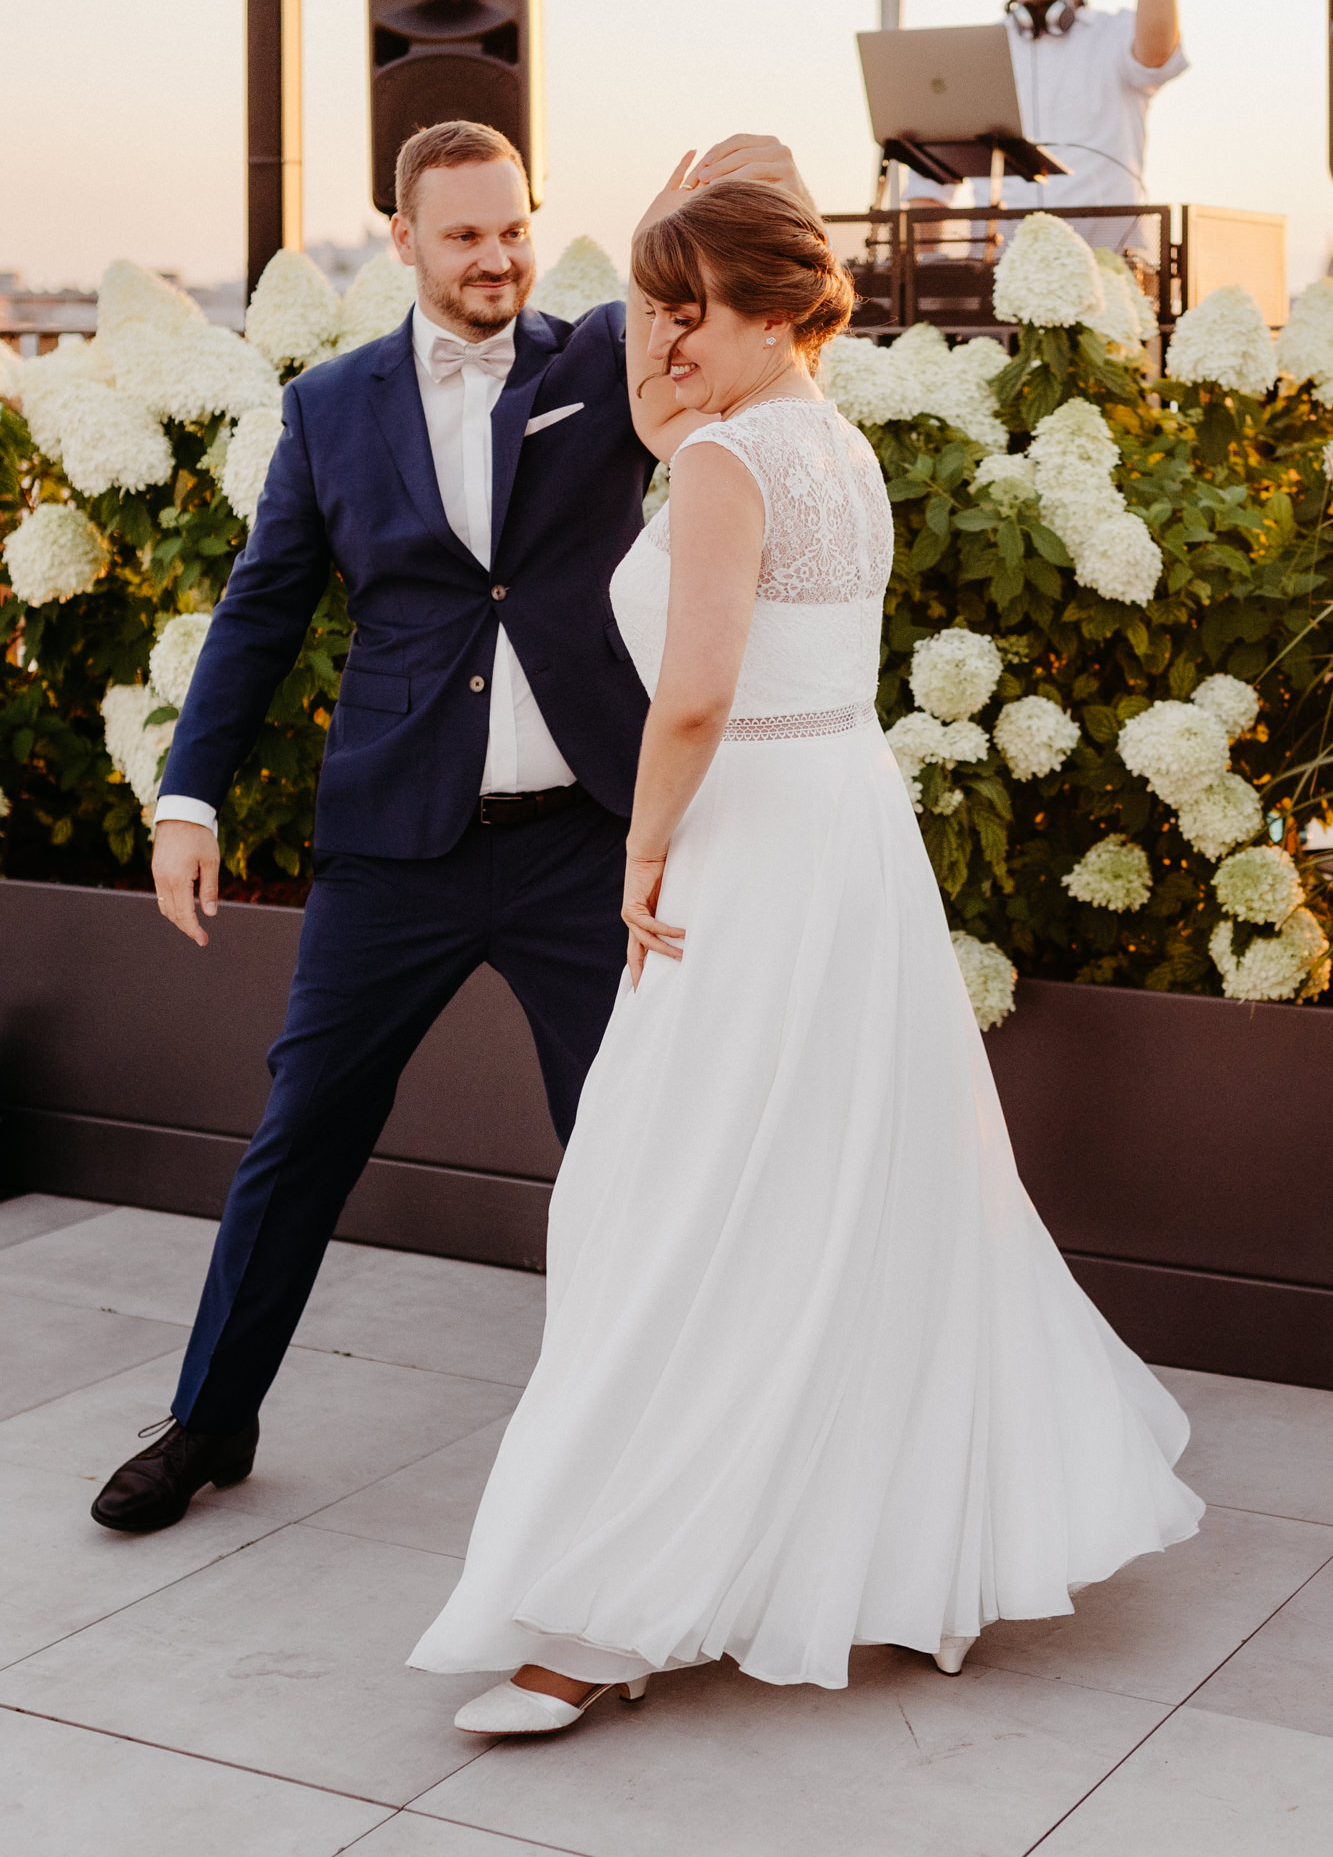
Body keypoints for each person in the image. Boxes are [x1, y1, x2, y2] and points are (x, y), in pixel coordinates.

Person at [406, 163, 1204, 1735]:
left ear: (769, 308)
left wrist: (641, 852)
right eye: (649, 304)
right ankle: (892, 1555)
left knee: (667, 1204)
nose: (659, 334)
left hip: (750, 847)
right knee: (853, 1190)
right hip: (848, 828)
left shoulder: (723, 468)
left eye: (682, 306)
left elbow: (695, 697)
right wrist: (668, 430)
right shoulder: (833, 444)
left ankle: (605, 1611)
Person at [90, 119, 812, 1535]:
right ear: (403, 241)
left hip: (586, 846)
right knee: (301, 1134)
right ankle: (209, 1421)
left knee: (635, 1143)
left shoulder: (602, 358)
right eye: (465, 234)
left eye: (513, 228)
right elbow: (260, 614)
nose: (497, 257)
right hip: (393, 846)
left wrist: (720, 192)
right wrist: (188, 795)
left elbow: (741, 315)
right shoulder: (329, 407)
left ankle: (677, 1443)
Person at [909, 0, 1185, 251]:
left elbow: (1157, 51)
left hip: (1109, 277)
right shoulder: (966, 57)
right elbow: (929, 184)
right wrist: (929, 283)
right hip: (993, 286)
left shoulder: (1118, 35)